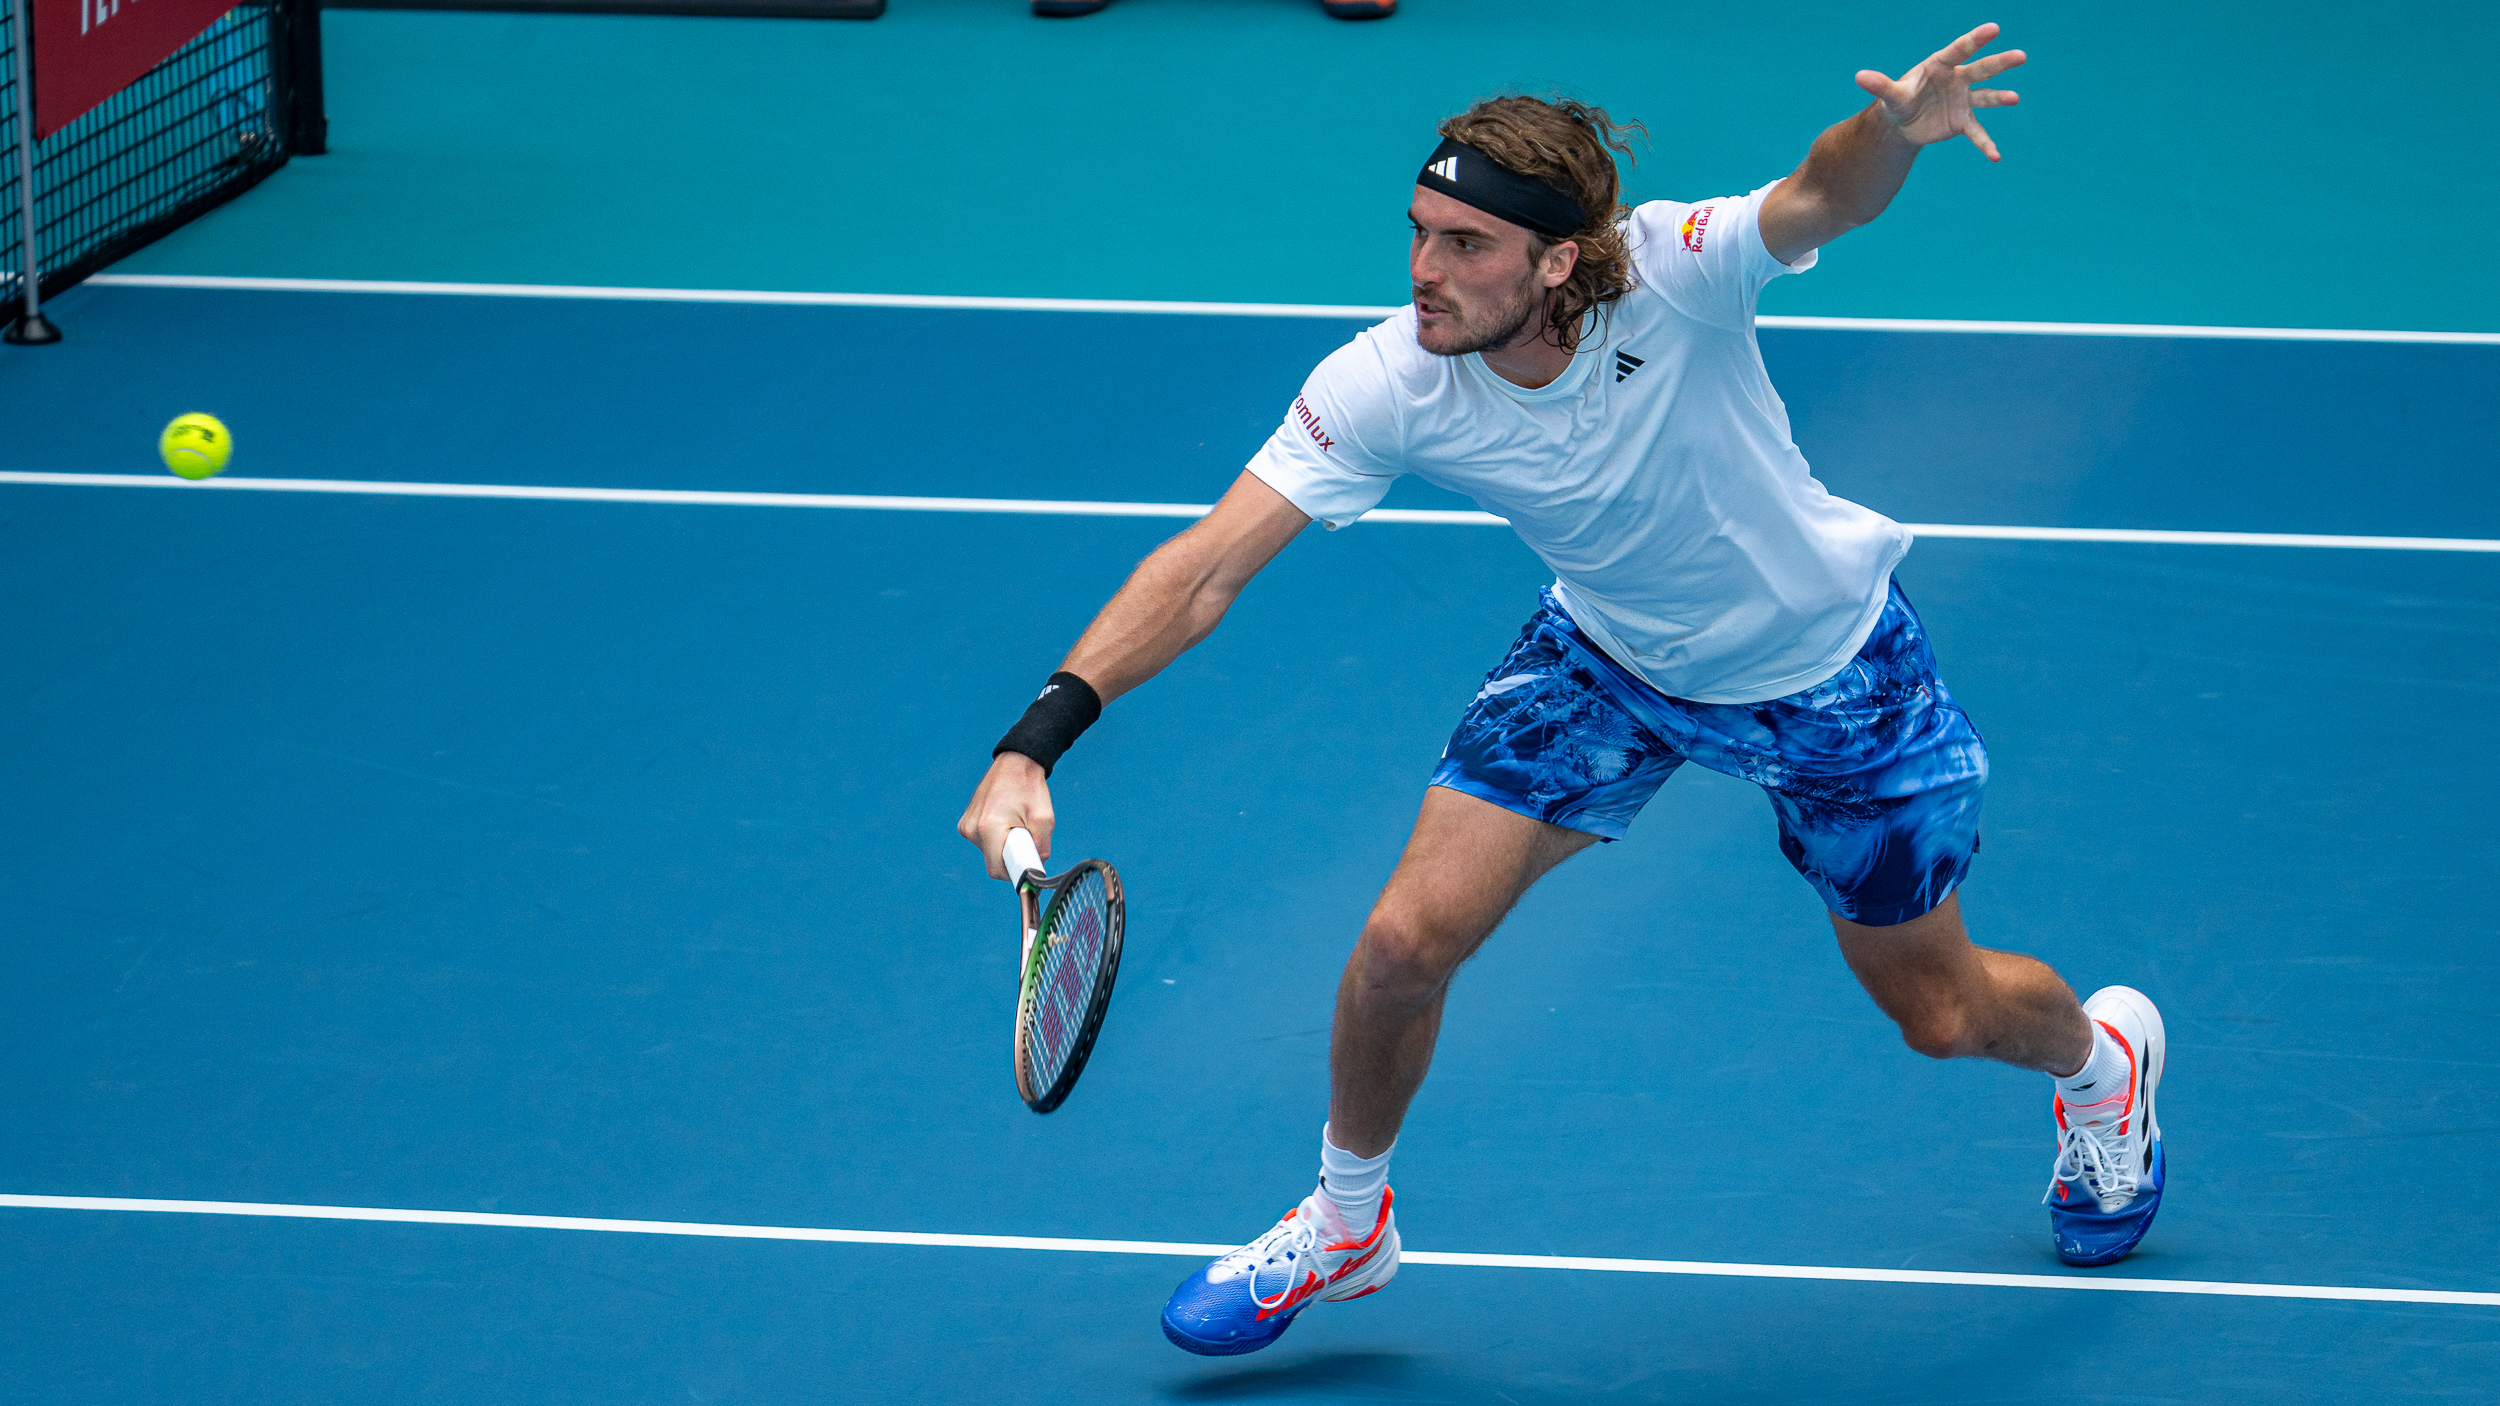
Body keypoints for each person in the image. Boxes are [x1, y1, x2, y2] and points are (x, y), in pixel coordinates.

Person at [958, 22, 2167, 1357]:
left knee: (1941, 1015)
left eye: (1464, 245)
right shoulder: (1391, 379)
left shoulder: (1672, 271)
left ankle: (2104, 1067)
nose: (1424, 269)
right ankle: (1350, 1220)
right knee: (1404, 944)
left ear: (1561, 259)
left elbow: (1820, 193)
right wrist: (1037, 741)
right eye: (1419, 231)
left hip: (1830, 679)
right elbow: (1205, 568)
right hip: (1612, 663)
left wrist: (1894, 129)